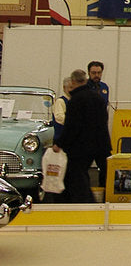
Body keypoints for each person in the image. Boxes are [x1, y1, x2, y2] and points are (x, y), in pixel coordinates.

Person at [52, 69, 112, 203]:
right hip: (101, 143)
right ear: (85, 80)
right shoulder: (98, 98)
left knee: (78, 175)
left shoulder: (75, 100)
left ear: (73, 82)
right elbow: (104, 120)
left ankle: (85, 202)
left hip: (82, 146)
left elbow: (71, 126)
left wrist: (60, 143)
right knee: (105, 173)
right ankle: (107, 199)